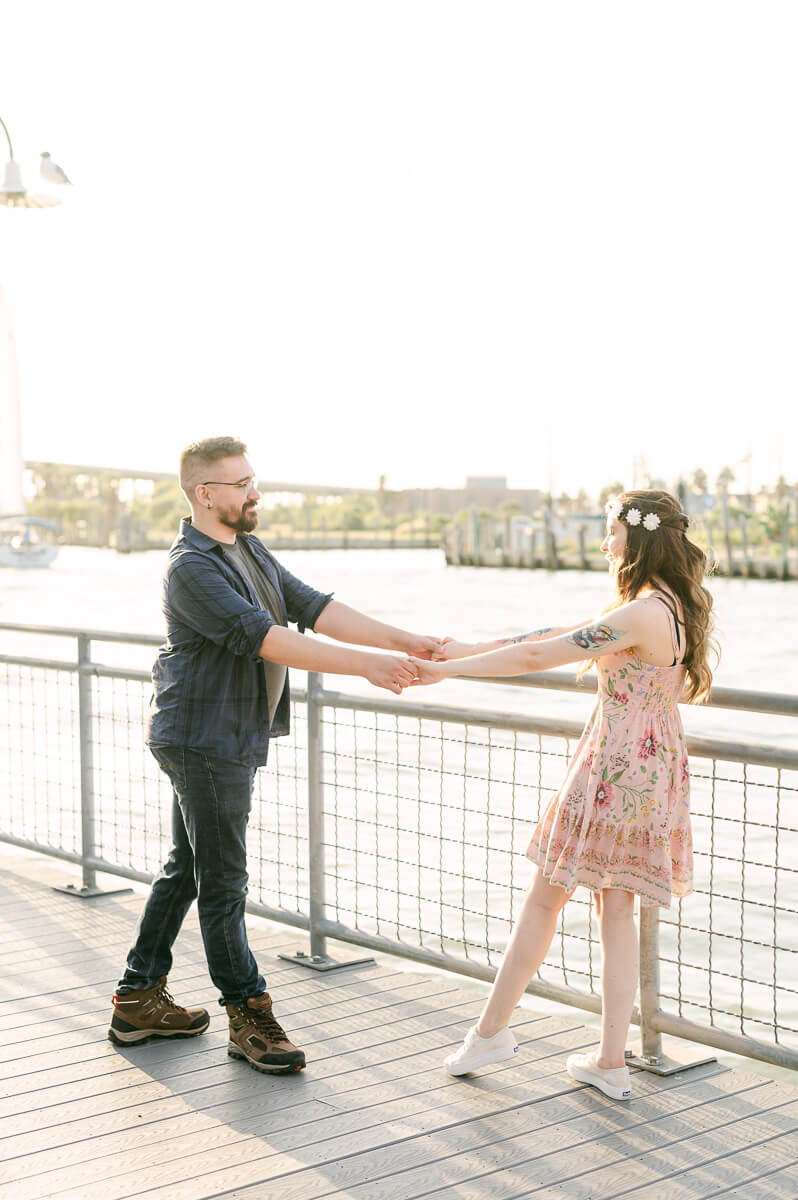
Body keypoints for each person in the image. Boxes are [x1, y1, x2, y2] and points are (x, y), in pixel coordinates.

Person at [109, 436, 440, 1073]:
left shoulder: (249, 549)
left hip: (222, 736)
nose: (255, 492)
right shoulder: (191, 567)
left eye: (253, 479)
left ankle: (137, 998)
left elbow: (312, 606)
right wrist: (371, 666)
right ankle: (249, 1017)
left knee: (189, 866)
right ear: (207, 494)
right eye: (241, 483)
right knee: (224, 883)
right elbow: (265, 638)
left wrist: (406, 641)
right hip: (202, 741)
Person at [409, 490, 716, 1101]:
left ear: (639, 537)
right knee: (616, 910)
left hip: (615, 771)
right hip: (651, 768)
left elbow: (537, 655)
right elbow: (557, 634)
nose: (605, 544)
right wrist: (464, 649)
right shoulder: (667, 605)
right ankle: (610, 1061)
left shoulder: (641, 611)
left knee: (547, 897)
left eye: (611, 532)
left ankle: (493, 1032)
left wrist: (448, 672)